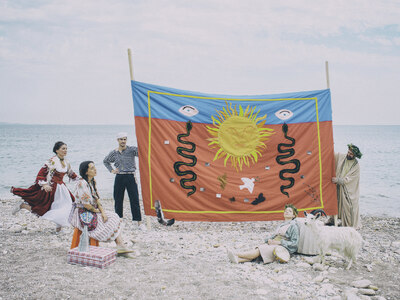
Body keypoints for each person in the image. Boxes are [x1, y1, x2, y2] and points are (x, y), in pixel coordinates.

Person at [11, 141, 78, 232]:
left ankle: (58, 228)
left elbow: (71, 174)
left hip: (62, 188)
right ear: (57, 150)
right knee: (43, 209)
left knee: (66, 206)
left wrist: (82, 180)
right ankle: (23, 205)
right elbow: (41, 174)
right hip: (52, 188)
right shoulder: (51, 161)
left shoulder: (66, 162)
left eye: (66, 149)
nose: (65, 150)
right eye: (63, 148)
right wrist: (45, 184)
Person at [69, 161, 130, 251]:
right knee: (112, 218)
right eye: (92, 168)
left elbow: (97, 199)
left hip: (92, 209)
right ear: (86, 172)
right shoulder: (82, 183)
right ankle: (120, 245)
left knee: (114, 217)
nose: (95, 170)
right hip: (83, 212)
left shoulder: (92, 181)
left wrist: (103, 212)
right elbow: (87, 205)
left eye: (95, 167)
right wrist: (100, 212)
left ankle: (120, 245)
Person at [227, 204, 300, 264]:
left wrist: (279, 242)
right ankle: (238, 260)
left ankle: (236, 254)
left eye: (290, 211)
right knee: (258, 252)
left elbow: (294, 243)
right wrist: (269, 240)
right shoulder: (281, 225)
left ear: (294, 215)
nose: (286, 212)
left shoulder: (293, 226)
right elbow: (274, 236)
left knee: (259, 251)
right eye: (286, 211)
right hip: (273, 243)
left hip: (281, 247)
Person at [103, 132, 145, 230]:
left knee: (134, 199)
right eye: (121, 139)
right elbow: (106, 161)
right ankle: (118, 221)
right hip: (119, 177)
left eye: (125, 139)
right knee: (118, 200)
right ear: (117, 140)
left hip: (131, 176)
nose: (123, 141)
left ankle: (138, 222)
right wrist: (112, 170)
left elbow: (144, 152)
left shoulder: (132, 150)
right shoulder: (114, 152)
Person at [332, 143, 362, 228]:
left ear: (355, 155)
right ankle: (333, 220)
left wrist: (339, 180)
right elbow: (331, 155)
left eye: (351, 154)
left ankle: (350, 225)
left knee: (349, 207)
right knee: (335, 202)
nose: (349, 154)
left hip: (348, 190)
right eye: (348, 152)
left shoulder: (356, 166)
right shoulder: (342, 156)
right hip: (338, 187)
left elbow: (351, 179)